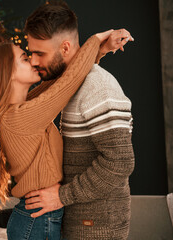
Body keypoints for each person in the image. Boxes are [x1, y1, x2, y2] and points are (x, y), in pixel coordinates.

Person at [0, 19, 132, 239]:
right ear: (8, 72)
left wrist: (100, 52)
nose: (32, 61)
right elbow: (68, 83)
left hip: (40, 216)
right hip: (37, 220)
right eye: (24, 58)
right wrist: (95, 40)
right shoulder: (19, 117)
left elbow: (63, 79)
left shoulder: (23, 107)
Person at [23, 2, 135, 240]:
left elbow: (120, 162)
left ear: (64, 47)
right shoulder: (72, 83)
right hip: (77, 222)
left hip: (96, 228)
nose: (33, 61)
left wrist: (61, 196)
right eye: (30, 52)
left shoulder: (99, 86)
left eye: (39, 53)